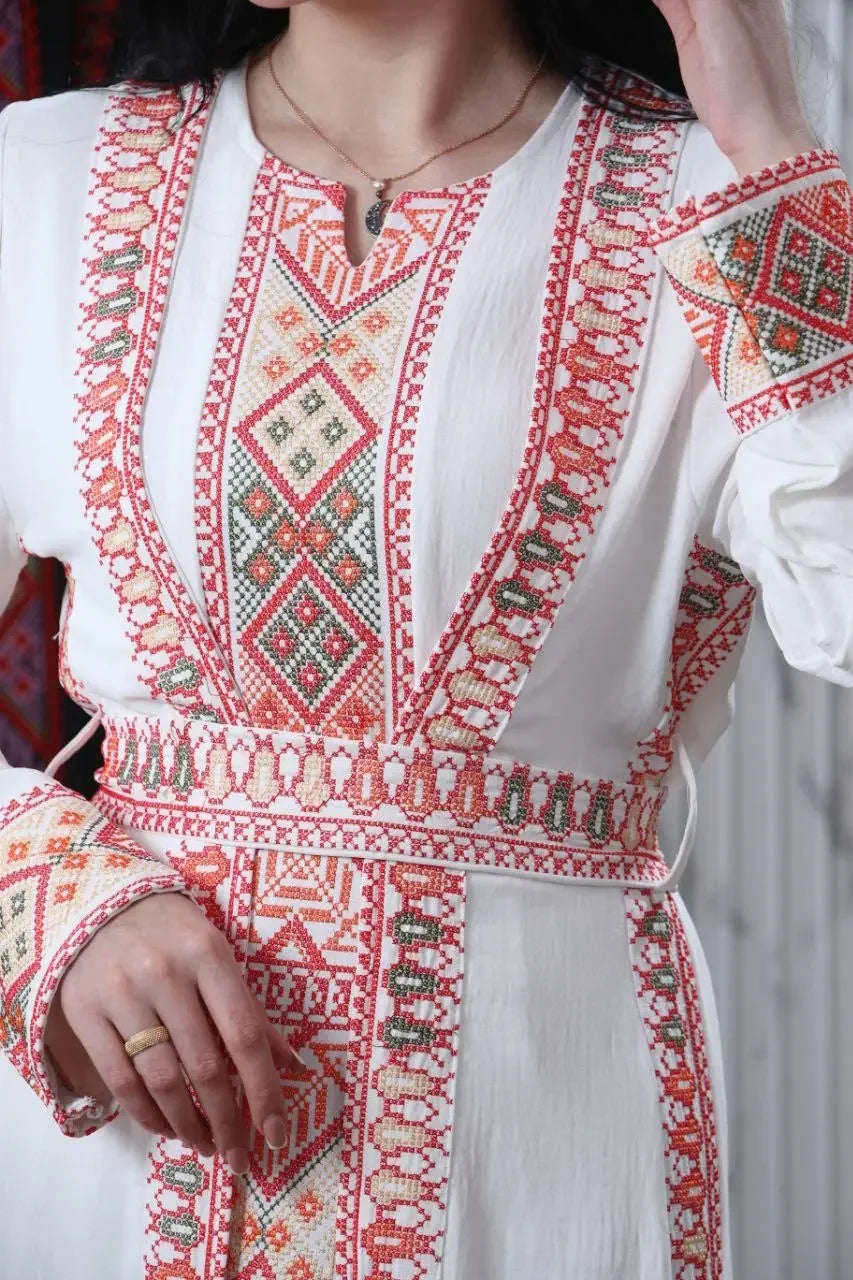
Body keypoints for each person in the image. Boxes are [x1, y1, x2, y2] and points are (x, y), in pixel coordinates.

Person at [0, 0, 849, 1275]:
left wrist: (771, 142)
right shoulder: (43, 184)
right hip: (122, 1145)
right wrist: (41, 903)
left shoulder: (714, 197)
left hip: (545, 1134)